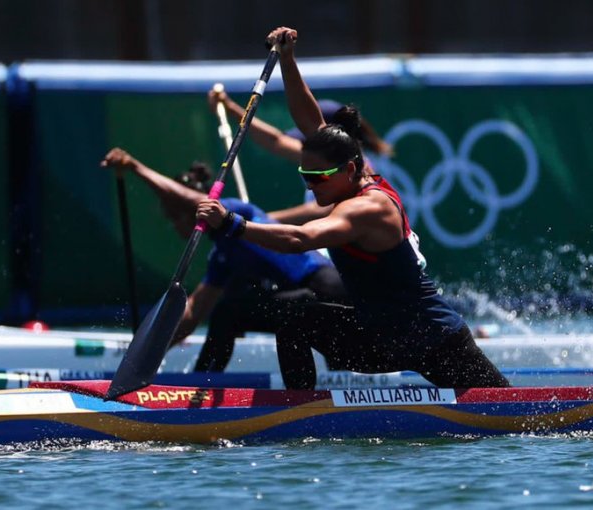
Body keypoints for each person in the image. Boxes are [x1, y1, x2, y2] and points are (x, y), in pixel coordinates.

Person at [195, 26, 510, 390]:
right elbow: (310, 122)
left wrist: (233, 224)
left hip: (431, 336)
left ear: (348, 170)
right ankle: (301, 416)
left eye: (318, 178)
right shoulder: (353, 169)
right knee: (295, 320)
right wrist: (287, 60)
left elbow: (300, 239)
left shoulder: (368, 208)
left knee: (507, 414)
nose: (310, 186)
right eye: (304, 176)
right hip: (379, 335)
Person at [101, 147, 347, 372]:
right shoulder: (222, 255)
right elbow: (194, 311)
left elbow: (189, 200)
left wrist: (135, 167)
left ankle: (207, 382)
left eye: (175, 217)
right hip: (301, 302)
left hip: (326, 291)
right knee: (227, 312)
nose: (174, 226)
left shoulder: (235, 211)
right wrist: (147, 353)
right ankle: (202, 383)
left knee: (229, 310)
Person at [209, 87, 392, 225]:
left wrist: (259, 219)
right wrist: (231, 108)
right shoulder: (326, 158)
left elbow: (321, 211)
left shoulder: (359, 169)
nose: (311, 184)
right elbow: (275, 141)